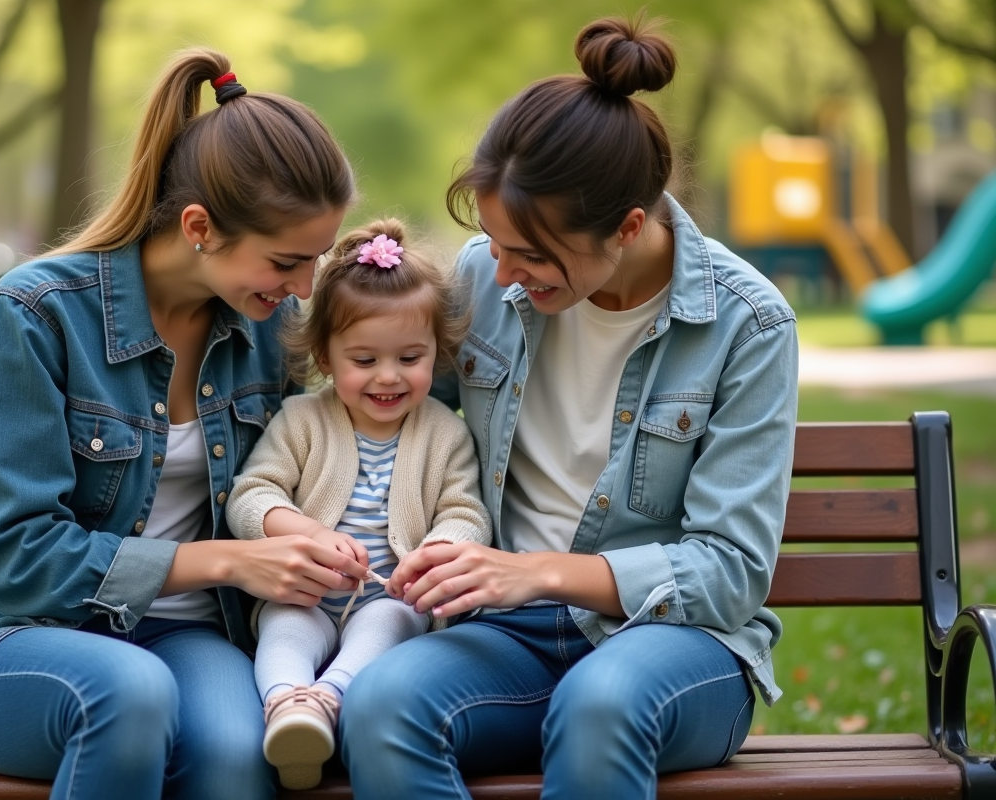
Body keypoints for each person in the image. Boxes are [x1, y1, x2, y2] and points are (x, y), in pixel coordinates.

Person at [0, 49, 365, 800]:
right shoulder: (36, 315)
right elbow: (19, 557)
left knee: (240, 753)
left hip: (187, 634)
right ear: (199, 227)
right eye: (286, 262)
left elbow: (387, 384)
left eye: (314, 262)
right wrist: (229, 562)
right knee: (128, 694)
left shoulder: (269, 330)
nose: (302, 289)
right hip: (6, 638)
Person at [339, 14, 799, 800]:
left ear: (628, 226)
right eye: (494, 242)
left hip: (676, 645)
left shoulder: (747, 324)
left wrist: (534, 572)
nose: (503, 274)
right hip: (505, 638)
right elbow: (397, 418)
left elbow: (730, 572)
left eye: (534, 256)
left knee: (600, 705)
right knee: (381, 707)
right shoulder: (484, 278)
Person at [226, 219, 492, 791]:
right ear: (325, 355)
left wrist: (438, 550)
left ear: (437, 353)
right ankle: (286, 706)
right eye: (365, 361)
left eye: (410, 358)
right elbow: (253, 493)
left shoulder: (444, 432)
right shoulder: (302, 420)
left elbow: (465, 511)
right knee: (283, 627)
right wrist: (297, 529)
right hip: (309, 588)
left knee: (388, 621)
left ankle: (328, 697)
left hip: (391, 588)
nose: (388, 377)